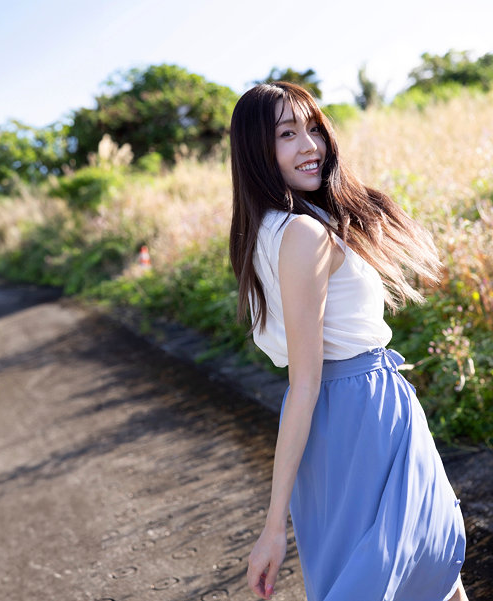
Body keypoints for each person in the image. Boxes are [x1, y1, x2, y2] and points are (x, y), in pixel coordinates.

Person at [228, 81, 468, 601]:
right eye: (287, 134)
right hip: (363, 416)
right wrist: (273, 528)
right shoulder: (302, 234)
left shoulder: (269, 231)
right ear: (255, 149)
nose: (310, 145)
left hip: (345, 422)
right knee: (418, 572)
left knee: (420, 570)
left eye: (314, 128)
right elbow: (305, 382)